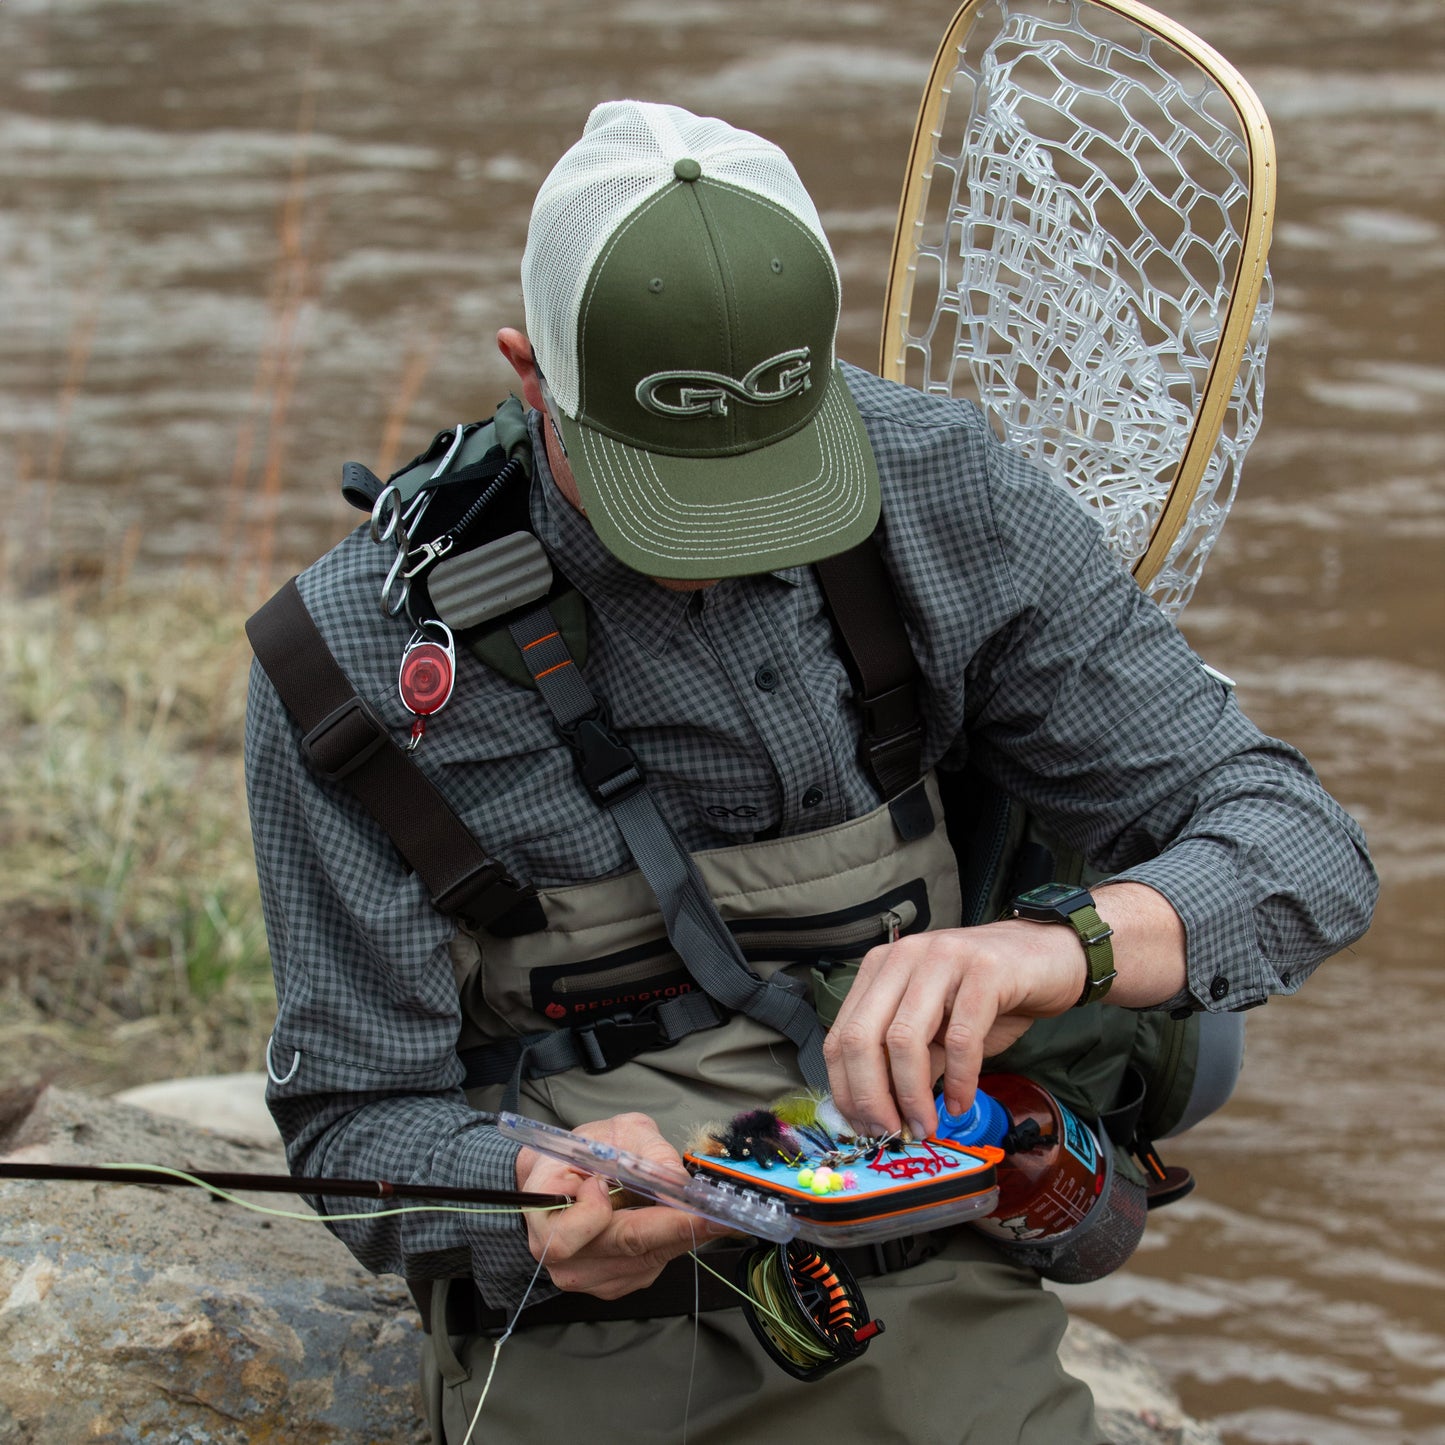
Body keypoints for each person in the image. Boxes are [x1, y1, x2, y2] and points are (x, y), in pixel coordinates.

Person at [244, 100, 1377, 1444]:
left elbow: (1299, 842)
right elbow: (354, 1123)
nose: (728, 539)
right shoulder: (354, 663)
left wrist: (1051, 946)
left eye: (776, 477)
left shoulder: (945, 494)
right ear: (529, 371)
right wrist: (516, 1190)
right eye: (668, 485)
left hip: (931, 1261)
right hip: (592, 1317)